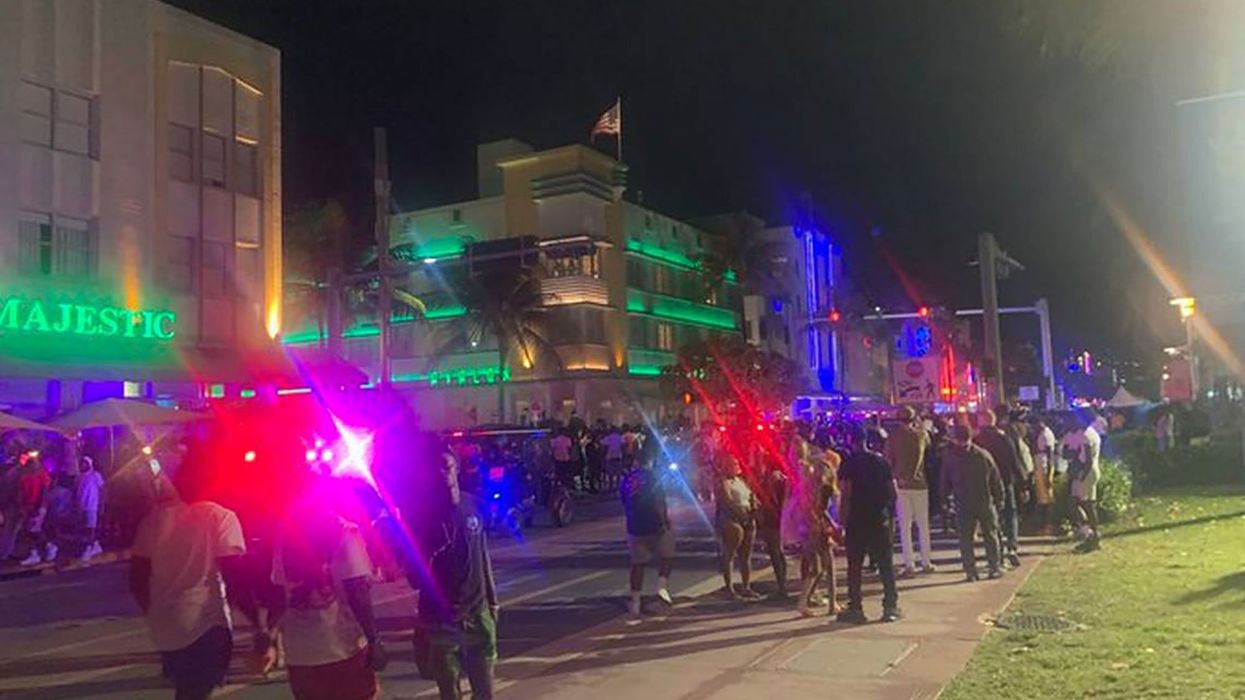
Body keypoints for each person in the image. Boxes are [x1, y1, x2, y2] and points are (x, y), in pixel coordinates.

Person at [129, 443, 267, 700]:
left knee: (188, 690)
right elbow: (234, 576)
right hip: (204, 626)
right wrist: (259, 626)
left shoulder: (155, 519)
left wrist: (154, 610)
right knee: (195, 692)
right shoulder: (220, 517)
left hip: (164, 628)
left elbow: (137, 576)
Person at [273, 481, 387, 700]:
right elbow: (357, 592)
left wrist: (269, 636)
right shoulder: (344, 531)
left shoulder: (285, 535)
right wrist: (374, 640)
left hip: (300, 654)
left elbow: (279, 595)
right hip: (341, 647)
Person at [408, 447, 499, 700]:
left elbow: (482, 555)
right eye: (436, 469)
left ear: (456, 470)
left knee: (485, 691)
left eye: (447, 467)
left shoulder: (474, 506)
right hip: (440, 620)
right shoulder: (423, 517)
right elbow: (414, 578)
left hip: (478, 614)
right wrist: (433, 550)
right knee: (449, 693)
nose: (442, 474)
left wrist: (493, 602)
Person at [836, 423, 901, 624]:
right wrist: (889, 514)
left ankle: (856, 607)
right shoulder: (881, 462)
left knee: (854, 566)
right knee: (885, 565)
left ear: (850, 441)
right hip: (879, 519)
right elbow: (893, 492)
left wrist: (842, 522)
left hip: (857, 520)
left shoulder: (849, 464)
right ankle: (890, 606)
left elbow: (845, 494)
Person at [940, 424, 1005, 581]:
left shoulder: (950, 457)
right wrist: (1000, 498)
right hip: (984, 499)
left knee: (965, 538)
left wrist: (944, 501)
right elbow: (996, 479)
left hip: (963, 501)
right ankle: (994, 567)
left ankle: (970, 570)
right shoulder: (983, 455)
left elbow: (944, 481)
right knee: (990, 535)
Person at [619, 438, 674, 619]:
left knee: (637, 565)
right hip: (656, 524)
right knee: (666, 556)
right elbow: (660, 501)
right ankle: (661, 588)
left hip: (635, 526)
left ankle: (635, 602)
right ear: (650, 461)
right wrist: (664, 522)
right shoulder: (654, 477)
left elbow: (623, 501)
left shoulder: (627, 479)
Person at [792, 437, 841, 617]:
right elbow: (822, 509)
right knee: (829, 567)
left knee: (816, 568)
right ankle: (832, 604)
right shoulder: (826, 486)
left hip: (808, 525)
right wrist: (832, 525)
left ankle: (803, 601)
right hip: (819, 528)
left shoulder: (808, 485)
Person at [885, 406, 935, 576]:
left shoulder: (893, 437)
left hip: (901, 485)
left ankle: (909, 565)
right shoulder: (922, 435)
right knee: (923, 525)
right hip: (920, 484)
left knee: (905, 527)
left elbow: (887, 460)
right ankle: (926, 561)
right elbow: (929, 448)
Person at [973, 410, 1024, 568]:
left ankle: (997, 552)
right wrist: (1023, 484)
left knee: (992, 520)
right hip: (1006, 481)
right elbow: (1015, 462)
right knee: (1010, 514)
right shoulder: (1004, 439)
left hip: (985, 486)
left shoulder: (977, 441)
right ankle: (1012, 547)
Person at [714, 453, 760, 600]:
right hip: (732, 519)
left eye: (737, 463)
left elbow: (752, 496)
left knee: (746, 556)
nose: (737, 466)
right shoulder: (723, 481)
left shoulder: (741, 481)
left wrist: (754, 505)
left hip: (748, 517)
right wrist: (740, 513)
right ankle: (729, 587)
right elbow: (727, 501)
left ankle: (746, 586)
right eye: (733, 464)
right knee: (730, 554)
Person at [750, 446, 790, 599]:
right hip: (778, 516)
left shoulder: (772, 477)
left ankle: (781, 586)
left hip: (772, 517)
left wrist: (760, 509)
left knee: (775, 551)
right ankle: (782, 585)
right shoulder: (780, 476)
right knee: (777, 551)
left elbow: (768, 499)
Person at [1063, 417, 1102, 551]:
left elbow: (1087, 461)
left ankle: (1089, 535)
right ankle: (1093, 536)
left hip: (1085, 473)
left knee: (1076, 504)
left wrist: (1081, 478)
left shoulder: (1086, 436)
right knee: (1088, 504)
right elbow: (1066, 452)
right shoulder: (1091, 433)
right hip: (1089, 472)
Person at [17, 453, 53, 566]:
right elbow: (22, 494)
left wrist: (39, 507)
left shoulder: (42, 475)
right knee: (30, 531)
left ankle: (39, 551)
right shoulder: (24, 477)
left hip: (39, 507)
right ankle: (45, 548)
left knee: (33, 530)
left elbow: (45, 491)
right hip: (29, 507)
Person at [1029, 417, 1057, 535]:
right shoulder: (1040, 434)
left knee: (1047, 500)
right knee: (1041, 500)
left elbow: (1050, 456)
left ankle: (1047, 525)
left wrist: (1050, 475)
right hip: (1039, 468)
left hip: (1044, 469)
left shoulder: (1047, 434)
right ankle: (1043, 526)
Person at [77, 456, 105, 561]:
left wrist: (101, 504)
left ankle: (88, 549)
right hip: (82, 506)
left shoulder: (95, 475)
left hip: (92, 505)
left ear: (89, 464)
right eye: (82, 463)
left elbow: (102, 490)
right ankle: (96, 545)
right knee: (84, 529)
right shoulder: (80, 477)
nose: (82, 465)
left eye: (85, 463)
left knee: (90, 529)